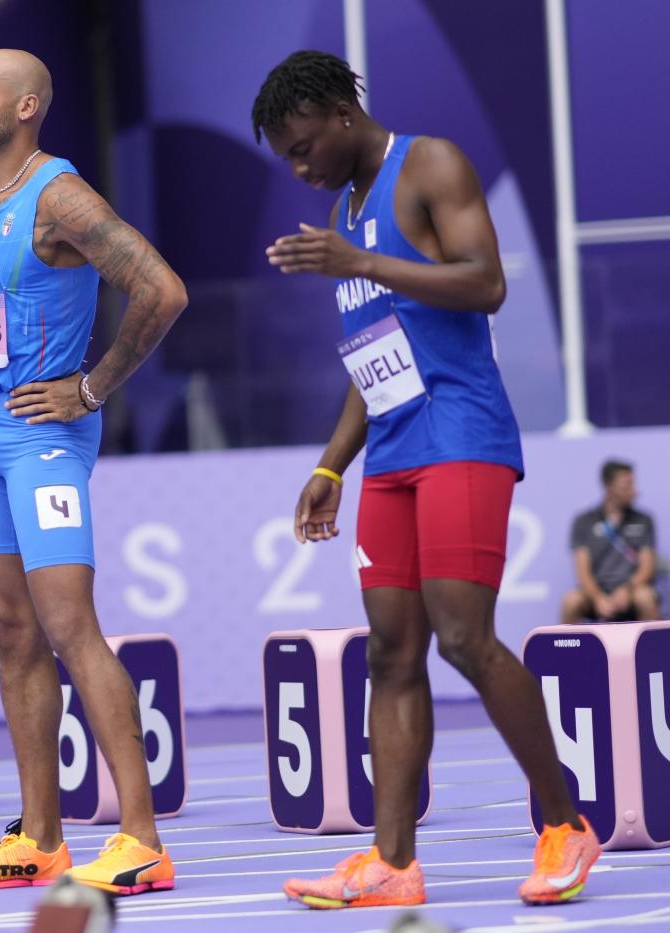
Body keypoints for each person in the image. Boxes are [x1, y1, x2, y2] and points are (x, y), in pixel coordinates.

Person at [252, 50, 597, 908]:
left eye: (303, 148)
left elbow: (486, 285)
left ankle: (565, 825)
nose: (300, 169)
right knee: (392, 653)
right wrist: (334, 462)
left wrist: (362, 263)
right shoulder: (344, 209)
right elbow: (374, 355)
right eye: (285, 159)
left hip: (463, 434)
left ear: (340, 112)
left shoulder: (429, 162)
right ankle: (392, 861)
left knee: (464, 638)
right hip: (395, 450)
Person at [0, 50, 187, 896]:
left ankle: (140, 837)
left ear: (27, 105)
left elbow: (161, 288)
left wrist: (91, 385)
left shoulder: (59, 196)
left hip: (44, 440)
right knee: (8, 632)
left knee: (71, 628)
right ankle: (40, 837)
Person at [561, 459, 659, 624]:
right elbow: (582, 571)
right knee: (571, 601)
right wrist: (597, 597)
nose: (634, 491)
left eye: (633, 484)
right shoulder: (584, 521)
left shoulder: (644, 520)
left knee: (646, 598)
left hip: (632, 589)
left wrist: (627, 589)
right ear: (609, 487)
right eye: (627, 486)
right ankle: (567, 649)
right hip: (596, 591)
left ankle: (654, 650)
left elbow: (647, 567)